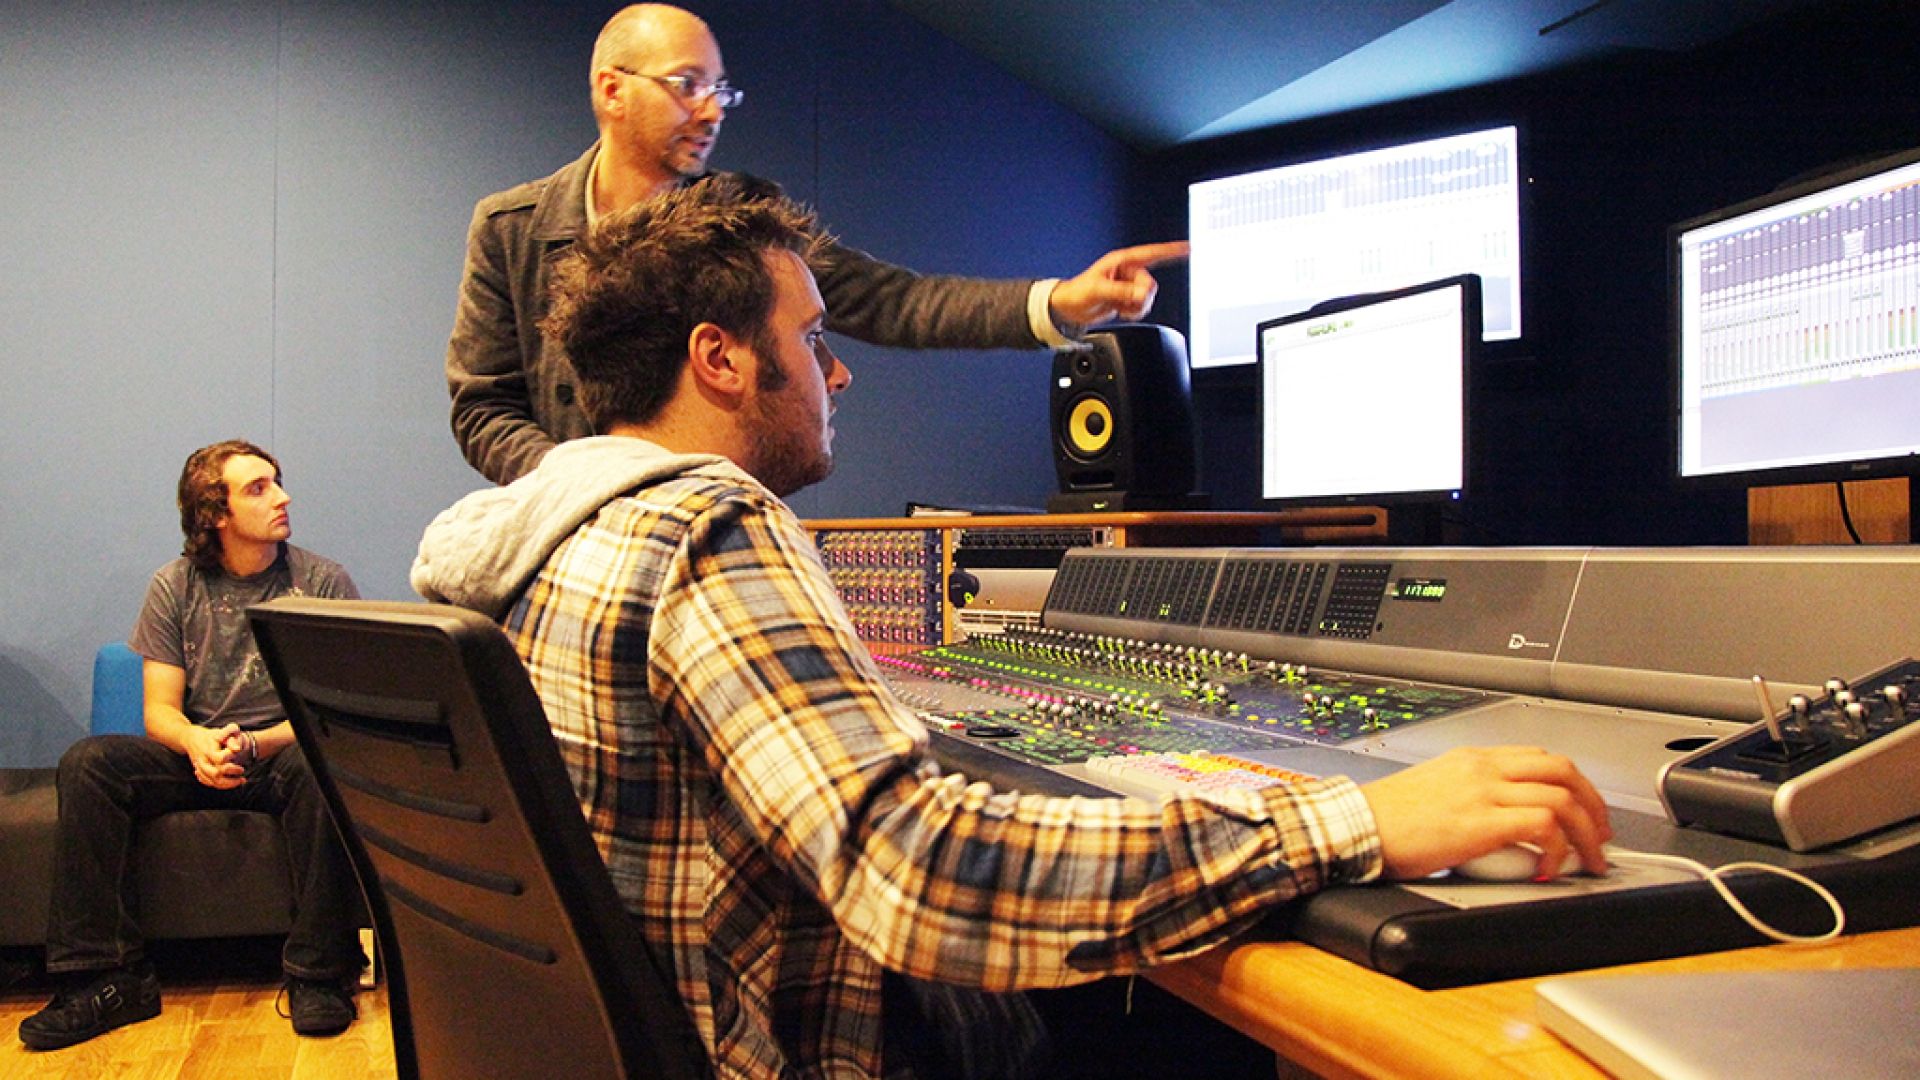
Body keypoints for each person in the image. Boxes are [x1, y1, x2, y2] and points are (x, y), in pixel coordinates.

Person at [412, 178, 1612, 1078]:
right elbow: (919, 871)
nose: (838, 374)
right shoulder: (708, 526)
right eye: (814, 338)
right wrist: (1355, 821)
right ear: (720, 360)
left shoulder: (538, 536)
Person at [446, 1, 1187, 485]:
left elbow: (893, 302)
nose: (711, 111)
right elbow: (483, 409)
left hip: (710, 538)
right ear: (612, 90)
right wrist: (579, 488)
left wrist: (1059, 302)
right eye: (686, 85)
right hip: (566, 543)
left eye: (720, 91)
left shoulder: (742, 216)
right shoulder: (511, 229)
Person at [20, 441, 366, 1052]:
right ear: (216, 514)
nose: (283, 497)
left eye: (277, 481)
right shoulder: (174, 586)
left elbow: (327, 715)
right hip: (200, 752)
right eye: (258, 488)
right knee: (90, 763)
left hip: (281, 752)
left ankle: (320, 974)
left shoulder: (320, 582)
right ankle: (105, 979)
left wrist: (254, 744)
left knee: (321, 764)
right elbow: (159, 711)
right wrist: (198, 743)